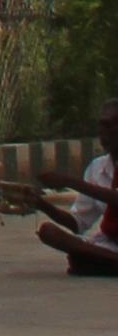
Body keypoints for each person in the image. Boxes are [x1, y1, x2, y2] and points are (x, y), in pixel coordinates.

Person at [31, 99, 118, 273]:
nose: (102, 132)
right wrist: (40, 204)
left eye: (108, 126)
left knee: (80, 260)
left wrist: (69, 182)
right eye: (100, 126)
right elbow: (78, 224)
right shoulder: (97, 168)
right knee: (48, 232)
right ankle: (104, 261)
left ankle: (98, 261)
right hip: (110, 243)